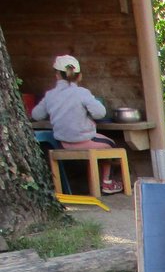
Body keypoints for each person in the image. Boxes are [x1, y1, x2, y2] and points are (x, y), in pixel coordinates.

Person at [30, 54, 122, 194]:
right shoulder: (82, 93)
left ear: (57, 75)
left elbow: (36, 115)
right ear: (79, 76)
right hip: (84, 140)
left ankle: (97, 183)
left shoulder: (50, 95)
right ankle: (106, 183)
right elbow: (100, 113)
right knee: (110, 144)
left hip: (62, 143)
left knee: (101, 144)